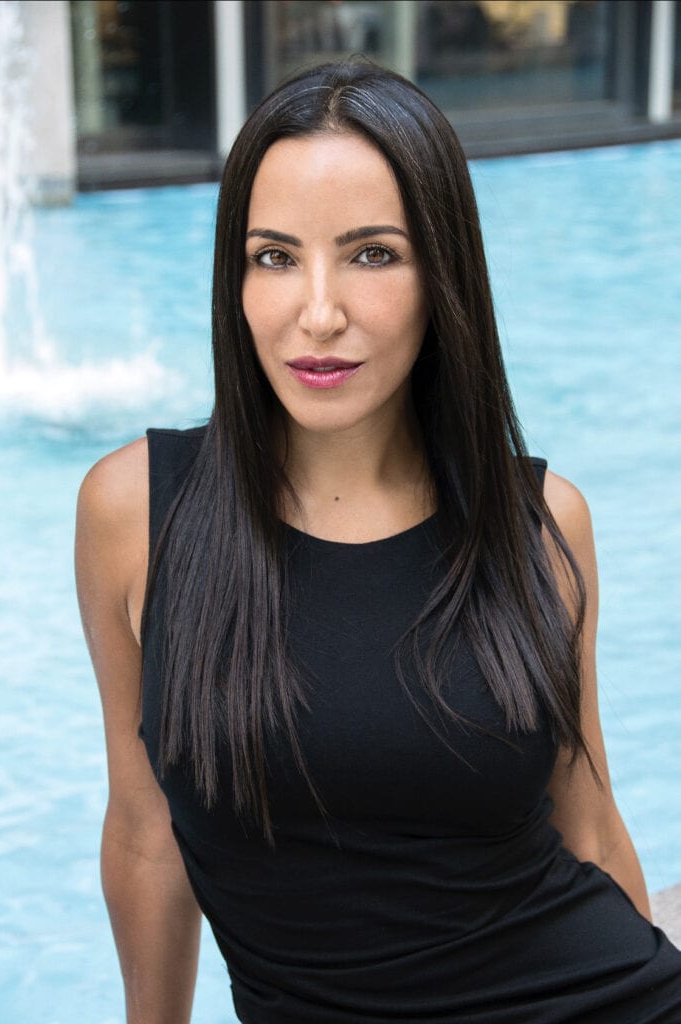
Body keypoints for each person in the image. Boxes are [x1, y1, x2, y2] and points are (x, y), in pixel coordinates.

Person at [75, 60, 681, 1024]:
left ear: (443, 275)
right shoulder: (135, 513)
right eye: (274, 256)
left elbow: (590, 826)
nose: (318, 313)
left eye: (372, 254)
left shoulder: (538, 521)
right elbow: (147, 829)